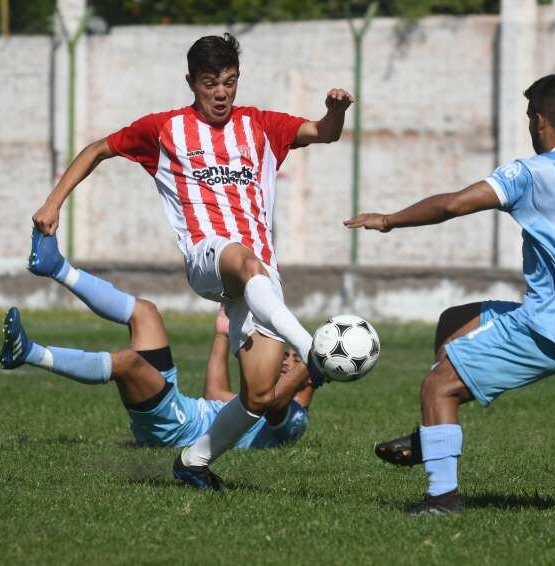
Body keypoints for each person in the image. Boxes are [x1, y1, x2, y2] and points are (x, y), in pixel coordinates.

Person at [346, 74, 555, 515]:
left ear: (540, 121)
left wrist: (389, 220)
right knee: (454, 321)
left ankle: (442, 499)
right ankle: (429, 436)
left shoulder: (529, 173)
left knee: (438, 387)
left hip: (547, 330)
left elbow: (452, 204)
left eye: (531, 118)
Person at [29, 32, 350, 489]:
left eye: (230, 82)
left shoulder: (261, 125)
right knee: (242, 258)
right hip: (209, 257)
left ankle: (193, 462)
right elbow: (98, 148)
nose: (221, 93)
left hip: (260, 282)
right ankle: (312, 345)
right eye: (210, 83)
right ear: (191, 82)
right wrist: (52, 203)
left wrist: (336, 109)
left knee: (257, 395)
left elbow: (324, 132)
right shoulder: (165, 130)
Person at [0, 234, 313, 467]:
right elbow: (216, 392)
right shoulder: (259, 399)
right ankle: (57, 267)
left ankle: (29, 352)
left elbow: (274, 403)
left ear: (309, 380)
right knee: (145, 313)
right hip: (181, 406)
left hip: (177, 429)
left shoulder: (294, 418)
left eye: (294, 360)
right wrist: (221, 334)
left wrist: (314, 357)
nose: (287, 360)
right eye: (288, 355)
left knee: (129, 363)